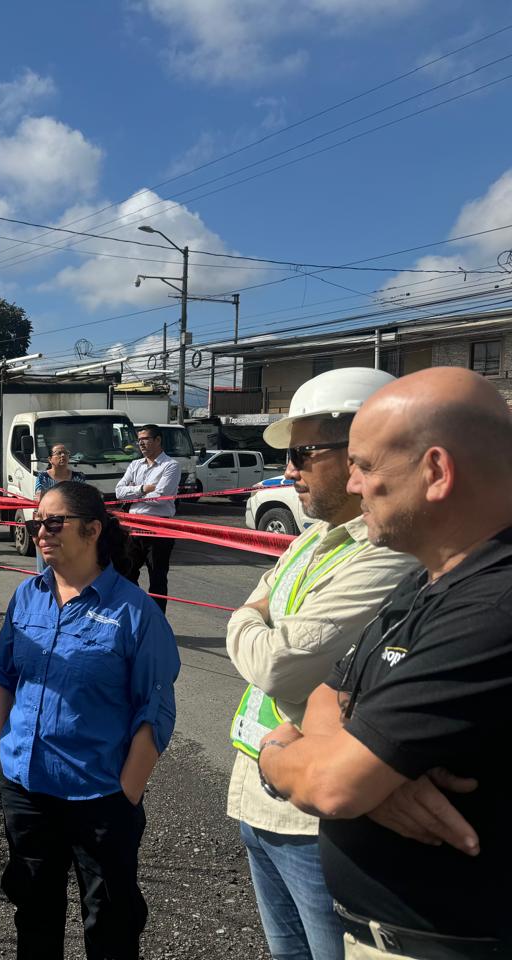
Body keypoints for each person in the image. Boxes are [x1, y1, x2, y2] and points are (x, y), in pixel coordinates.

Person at [258, 367, 512, 957]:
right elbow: (326, 698)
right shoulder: (430, 580)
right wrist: (370, 773)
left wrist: (280, 757)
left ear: (436, 472)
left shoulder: (492, 606)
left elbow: (331, 784)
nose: (355, 483)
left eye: (367, 466)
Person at [224, 368, 417, 960]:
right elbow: (262, 626)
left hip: (316, 817)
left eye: (305, 454)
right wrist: (253, 621)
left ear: (364, 448)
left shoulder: (389, 550)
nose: (290, 471)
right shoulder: (313, 537)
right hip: (258, 790)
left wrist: (246, 619)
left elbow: (280, 665)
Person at [0, 480, 179, 960]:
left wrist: (127, 792)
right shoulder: (27, 596)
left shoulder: (134, 612)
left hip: (99, 796)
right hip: (27, 789)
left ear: (92, 530)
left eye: (54, 522)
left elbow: (155, 708)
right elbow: (1, 673)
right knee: (33, 911)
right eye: (36, 522)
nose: (41, 532)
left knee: (110, 919)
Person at [114, 424, 181, 612]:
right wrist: (143, 489)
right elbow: (119, 492)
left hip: (158, 528)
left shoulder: (171, 466)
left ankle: (157, 621)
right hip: (133, 527)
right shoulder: (135, 464)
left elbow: (160, 497)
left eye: (145, 439)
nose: (141, 444)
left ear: (158, 440)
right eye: (139, 440)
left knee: (157, 578)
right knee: (125, 573)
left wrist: (133, 493)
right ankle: (137, 612)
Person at [33, 443, 75, 573]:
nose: (63, 456)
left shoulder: (78, 477)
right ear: (50, 459)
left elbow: (81, 502)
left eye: (65, 453)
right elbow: (39, 503)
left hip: (69, 525)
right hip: (47, 525)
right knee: (46, 564)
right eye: (58, 453)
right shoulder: (43, 478)